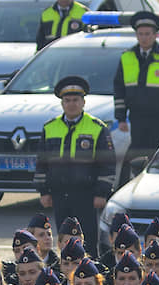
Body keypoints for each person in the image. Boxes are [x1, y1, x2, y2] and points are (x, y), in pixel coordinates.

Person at [35, 75, 116, 258]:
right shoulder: (50, 127)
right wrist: (43, 192)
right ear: (62, 103)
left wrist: (102, 193)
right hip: (59, 194)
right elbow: (42, 162)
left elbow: (108, 163)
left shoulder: (97, 127)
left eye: (76, 100)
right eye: (67, 100)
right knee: (64, 239)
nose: (72, 104)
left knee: (87, 240)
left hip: (86, 195)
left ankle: (91, 271)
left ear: (83, 102)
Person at [113, 11, 159, 185]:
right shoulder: (127, 57)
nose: (144, 38)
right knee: (133, 158)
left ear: (155, 35)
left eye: (147, 34)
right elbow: (119, 89)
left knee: (158, 157)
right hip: (137, 119)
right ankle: (130, 187)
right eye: (140, 34)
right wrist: (121, 118)